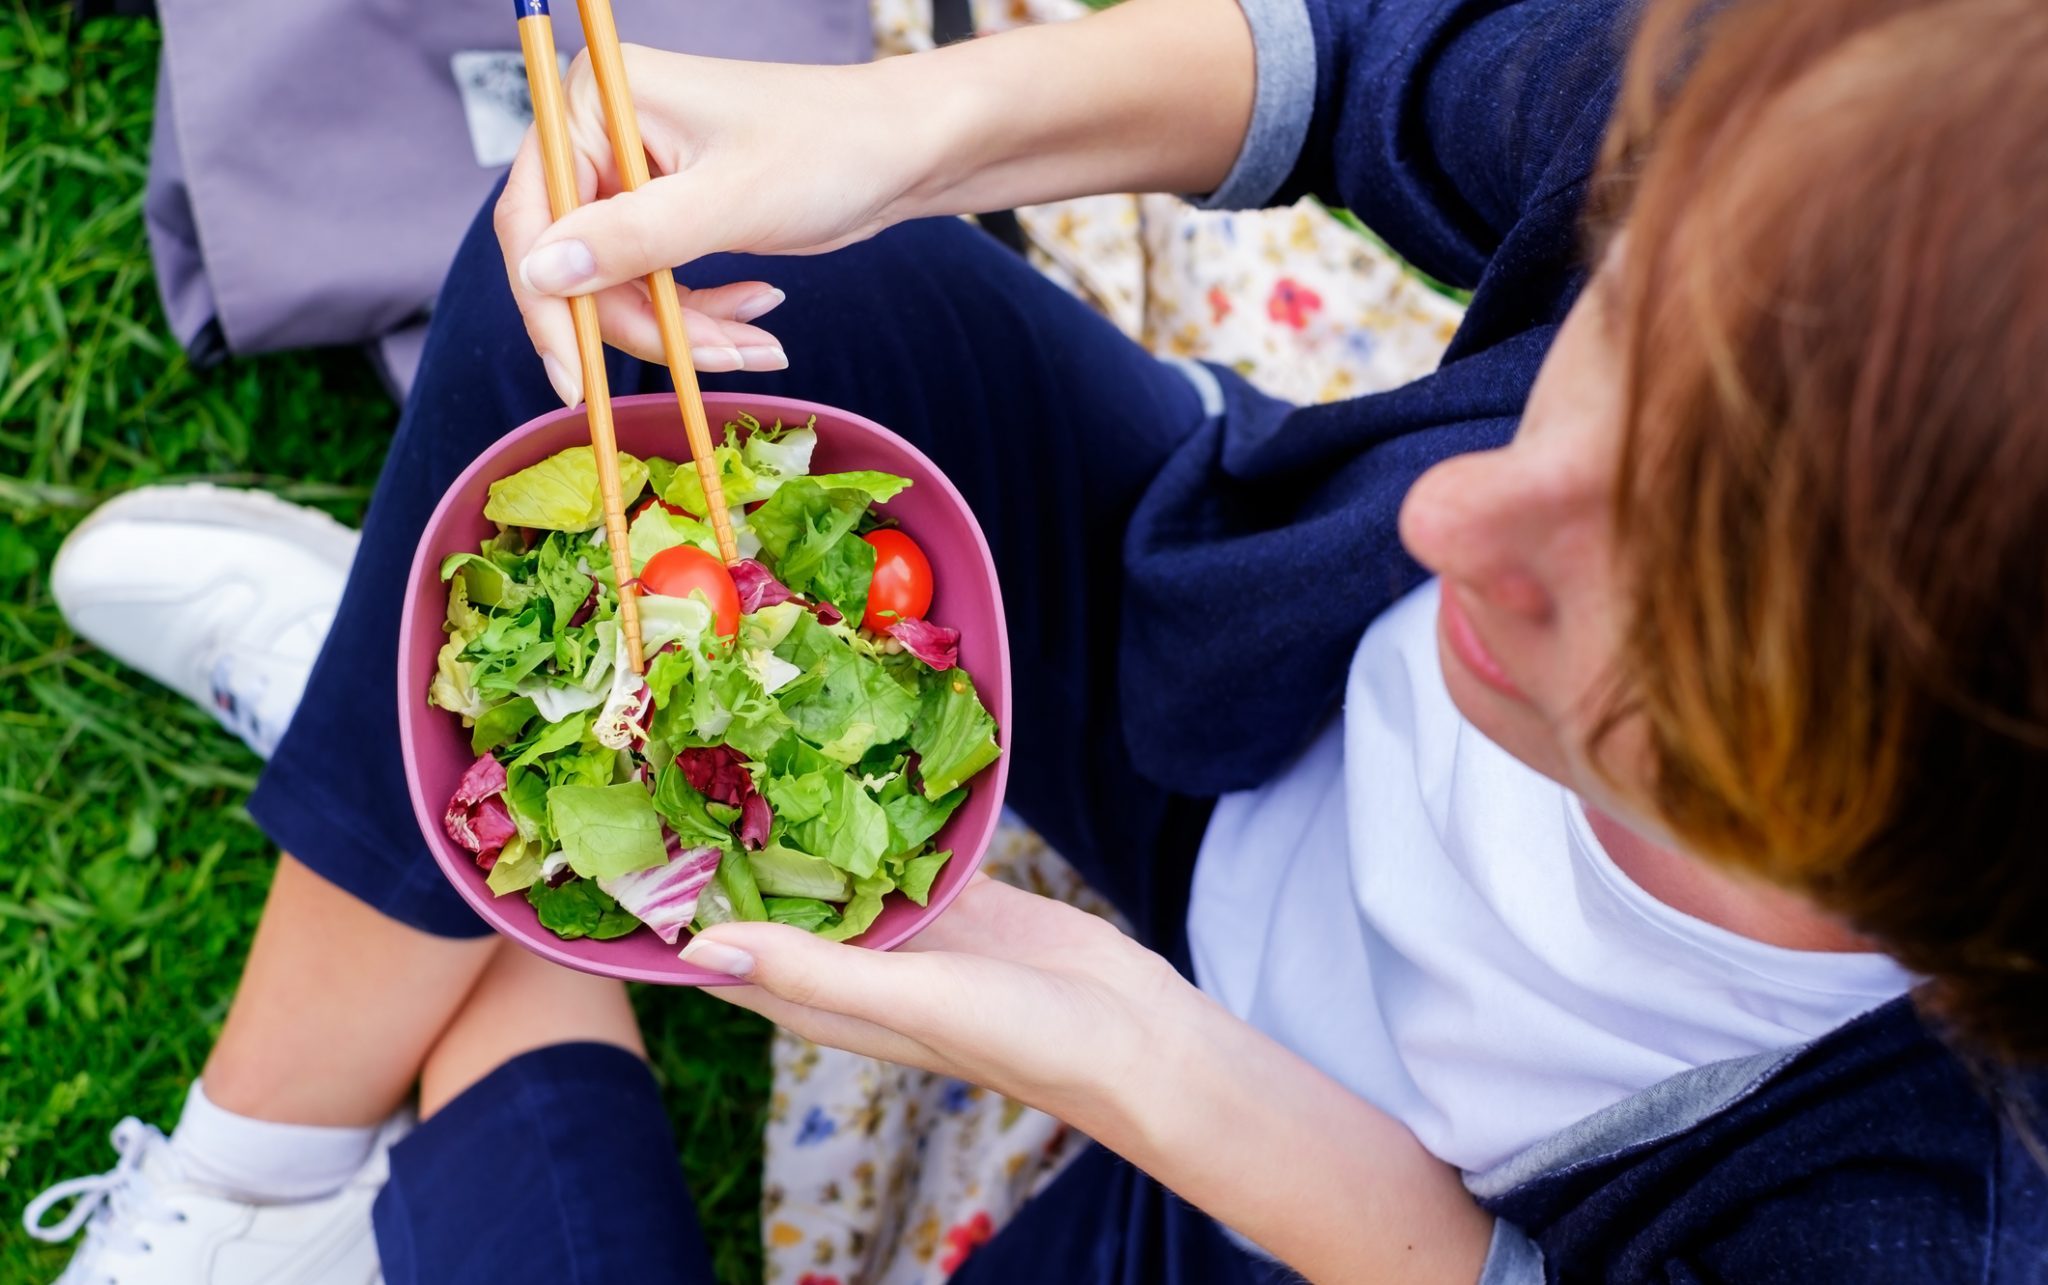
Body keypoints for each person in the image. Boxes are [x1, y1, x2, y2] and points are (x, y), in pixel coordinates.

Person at [28, 0, 2048, 1280]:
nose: (1446, 515)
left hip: (1304, 1205)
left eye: (1671, 635)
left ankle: (422, 769)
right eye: (1597, 374)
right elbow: (1354, 68)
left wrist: (1162, 1074)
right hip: (1232, 678)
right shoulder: (1864, 165)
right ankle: (267, 1167)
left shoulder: (1939, 1221)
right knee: (677, 251)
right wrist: (918, 131)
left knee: (495, 820)